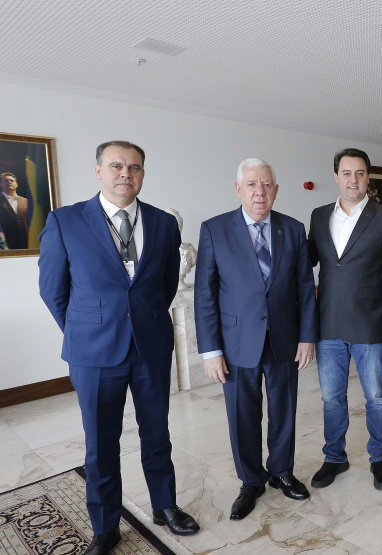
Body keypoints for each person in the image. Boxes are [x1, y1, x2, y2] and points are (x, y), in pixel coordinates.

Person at [38, 141, 199, 555]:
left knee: (157, 434)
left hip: (150, 348)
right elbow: (54, 291)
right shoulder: (65, 221)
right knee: (101, 442)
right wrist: (87, 329)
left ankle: (165, 505)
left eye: (134, 167)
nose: (125, 173)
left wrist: (138, 322)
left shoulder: (164, 224)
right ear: (98, 171)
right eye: (116, 166)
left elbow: (162, 287)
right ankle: (105, 525)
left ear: (143, 174)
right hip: (93, 355)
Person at [194, 158, 318, 520]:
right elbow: (206, 294)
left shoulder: (292, 229)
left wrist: (307, 337)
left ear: (276, 190)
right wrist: (211, 350)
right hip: (235, 345)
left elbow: (305, 290)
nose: (259, 192)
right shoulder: (215, 229)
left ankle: (282, 471)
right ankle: (251, 481)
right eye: (251, 184)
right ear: (238, 189)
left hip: (284, 340)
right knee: (242, 416)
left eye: (266, 184)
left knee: (284, 412)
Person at [307, 147, 382, 491]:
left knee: (377, 397)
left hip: (370, 324)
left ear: (368, 177)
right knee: (331, 398)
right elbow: (306, 260)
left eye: (361, 173)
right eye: (347, 173)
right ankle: (334, 457)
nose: (354, 179)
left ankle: (379, 457)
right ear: (336, 176)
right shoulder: (319, 216)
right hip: (328, 325)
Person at [0, 171, 29, 249]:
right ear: (1, 184)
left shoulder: (26, 202)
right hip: (5, 246)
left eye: (12, 180)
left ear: (17, 184)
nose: (9, 182)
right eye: (6, 180)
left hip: (26, 244)